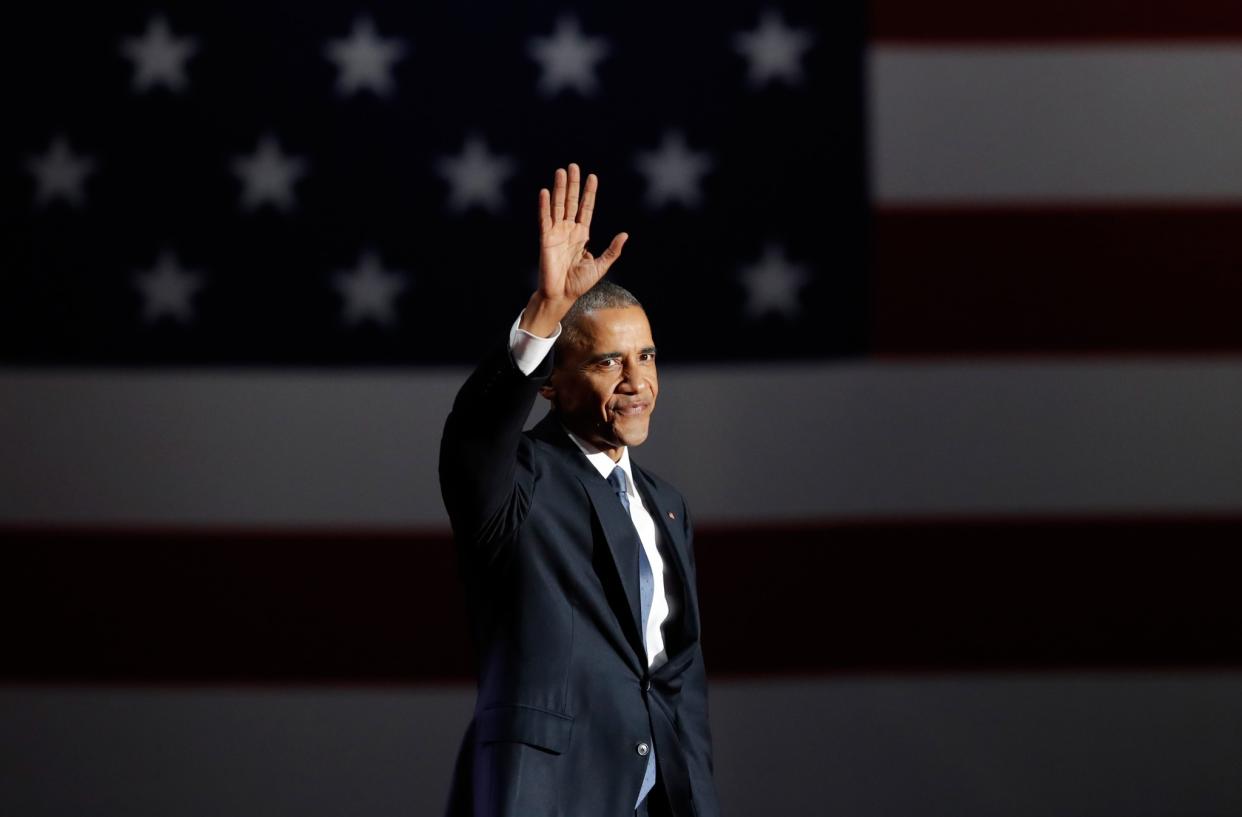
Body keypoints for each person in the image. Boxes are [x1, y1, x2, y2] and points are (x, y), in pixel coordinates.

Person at [439, 163, 720, 817]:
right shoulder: (515, 484)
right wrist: (545, 312)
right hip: (550, 797)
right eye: (606, 361)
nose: (635, 380)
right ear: (550, 384)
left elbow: (676, 684)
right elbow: (475, 434)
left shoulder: (667, 505)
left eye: (646, 356)